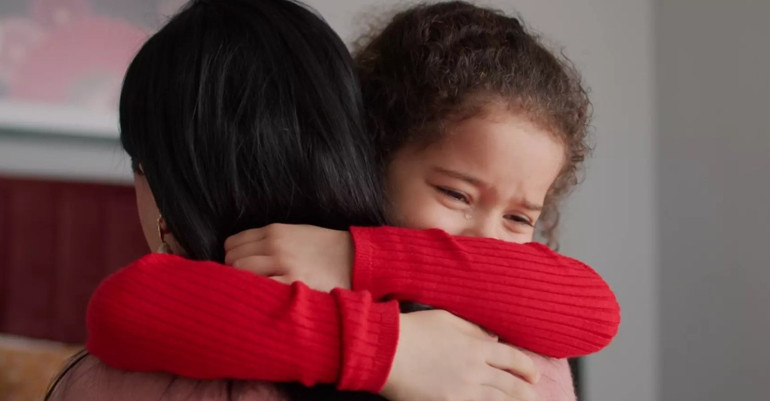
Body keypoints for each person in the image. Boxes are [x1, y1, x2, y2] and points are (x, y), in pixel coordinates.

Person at [78, 2, 619, 401]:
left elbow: (597, 312)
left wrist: (357, 255)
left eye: (520, 218)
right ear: (372, 155)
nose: (487, 238)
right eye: (456, 194)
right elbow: (130, 305)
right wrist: (393, 349)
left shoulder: (503, 292)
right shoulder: (294, 261)